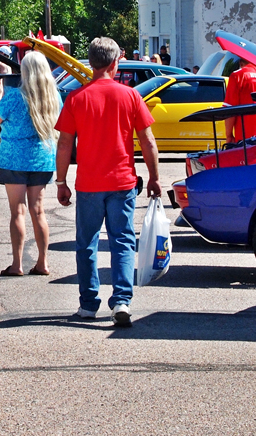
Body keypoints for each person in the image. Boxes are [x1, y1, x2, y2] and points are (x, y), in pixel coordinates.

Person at [54, 37, 161, 327]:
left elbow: (64, 144)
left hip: (89, 184)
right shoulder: (130, 96)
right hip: (122, 182)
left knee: (86, 244)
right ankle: (122, 301)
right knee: (122, 241)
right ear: (115, 63)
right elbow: (148, 141)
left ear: (90, 63)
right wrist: (153, 177)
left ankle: (89, 304)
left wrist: (61, 181)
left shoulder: (76, 98)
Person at [0, 52, 61, 277]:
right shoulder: (53, 98)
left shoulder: (13, 96)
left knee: (17, 211)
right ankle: (42, 262)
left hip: (14, 158)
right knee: (38, 211)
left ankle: (17, 264)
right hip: (42, 158)